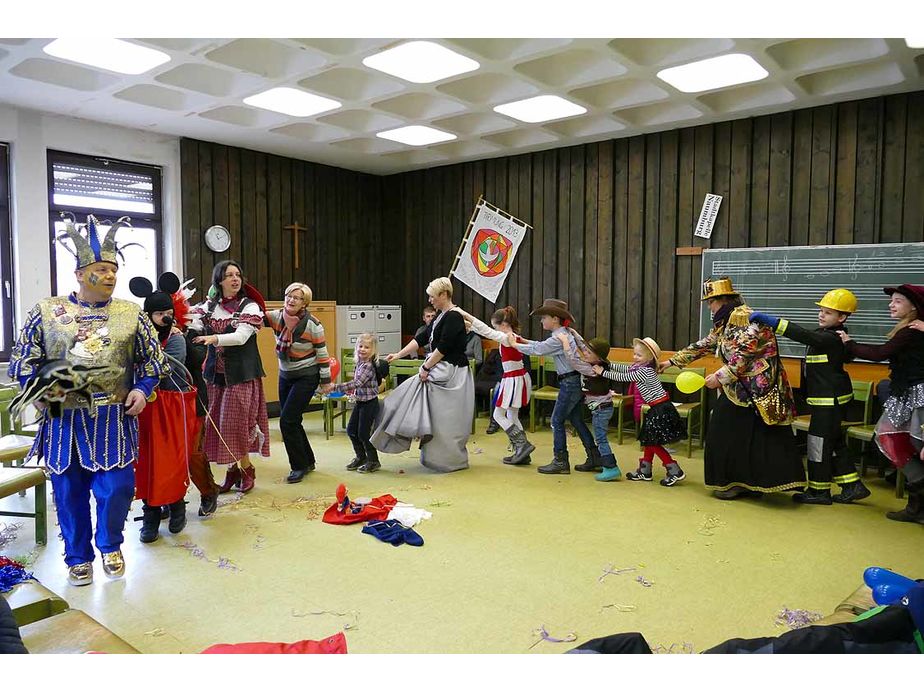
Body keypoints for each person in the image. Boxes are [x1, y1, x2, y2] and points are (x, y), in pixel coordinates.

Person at [7, 214, 168, 586]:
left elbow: (152, 362)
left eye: (113, 269)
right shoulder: (46, 312)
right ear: (80, 274)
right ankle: (78, 557)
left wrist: (143, 391)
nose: (110, 275)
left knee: (117, 489)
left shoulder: (131, 314)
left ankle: (110, 544)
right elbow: (23, 361)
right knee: (69, 492)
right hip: (64, 418)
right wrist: (41, 392)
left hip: (114, 417)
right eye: (101, 269)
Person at [663, 277, 804, 500]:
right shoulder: (725, 322)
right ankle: (743, 483)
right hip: (740, 389)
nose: (709, 307)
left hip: (758, 389)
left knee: (734, 432)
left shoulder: (743, 318)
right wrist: (672, 361)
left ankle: (740, 483)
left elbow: (744, 355)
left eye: (711, 302)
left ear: (723, 299)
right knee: (741, 435)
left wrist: (720, 377)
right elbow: (706, 344)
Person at [749, 288, 870, 505]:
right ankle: (853, 486)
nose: (821, 315)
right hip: (829, 402)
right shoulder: (834, 337)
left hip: (829, 403)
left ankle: (818, 491)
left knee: (818, 444)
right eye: (821, 310)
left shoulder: (830, 338)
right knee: (833, 444)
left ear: (842, 317)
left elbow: (804, 335)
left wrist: (774, 322)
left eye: (828, 313)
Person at [838, 284, 924, 524]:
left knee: (917, 442)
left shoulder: (913, 331)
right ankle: (917, 502)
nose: (890, 304)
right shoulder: (908, 329)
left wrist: (849, 343)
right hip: (906, 392)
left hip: (919, 393)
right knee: (889, 436)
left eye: (897, 301)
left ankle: (918, 504)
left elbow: (879, 354)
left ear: (913, 307)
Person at [371, 277, 475, 473]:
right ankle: (430, 455)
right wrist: (399, 354)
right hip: (438, 369)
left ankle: (449, 460)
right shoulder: (439, 317)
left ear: (444, 295)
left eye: (432, 296)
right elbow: (421, 338)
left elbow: (443, 347)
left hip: (450, 373)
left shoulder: (453, 316)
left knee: (446, 420)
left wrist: (426, 367)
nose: (430, 300)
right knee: (429, 415)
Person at [130, 271, 200, 542]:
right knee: (147, 461)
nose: (165, 318)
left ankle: (177, 505)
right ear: (148, 316)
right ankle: (150, 512)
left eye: (169, 313)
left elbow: (165, 369)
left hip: (171, 406)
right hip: (145, 410)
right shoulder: (138, 339)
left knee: (172, 460)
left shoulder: (176, 338)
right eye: (159, 314)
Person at [189, 261, 270, 494]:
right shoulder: (210, 306)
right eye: (229, 275)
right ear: (220, 281)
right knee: (221, 425)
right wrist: (178, 325)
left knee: (237, 425)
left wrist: (214, 339)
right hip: (215, 376)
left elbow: (242, 336)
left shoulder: (250, 307)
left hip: (242, 375)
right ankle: (233, 471)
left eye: (238, 274)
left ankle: (246, 470)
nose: (235, 279)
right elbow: (191, 321)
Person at [511, 298, 598, 475]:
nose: (542, 321)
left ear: (555, 319)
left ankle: (561, 460)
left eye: (544, 317)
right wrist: (522, 341)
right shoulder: (564, 333)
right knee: (576, 420)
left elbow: (539, 350)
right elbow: (540, 346)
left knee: (556, 420)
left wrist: (514, 345)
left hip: (569, 383)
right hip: (573, 382)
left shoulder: (559, 338)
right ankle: (594, 456)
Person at [597, 337, 686, 486]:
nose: (635, 357)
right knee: (649, 439)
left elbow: (623, 377)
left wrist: (602, 372)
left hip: (660, 408)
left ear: (650, 358)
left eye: (639, 355)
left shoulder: (645, 371)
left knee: (652, 441)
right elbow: (624, 369)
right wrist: (608, 364)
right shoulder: (638, 367)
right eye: (634, 354)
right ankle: (645, 470)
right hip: (655, 407)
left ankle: (674, 469)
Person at [265, 283, 331, 484]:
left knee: (287, 421)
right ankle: (308, 461)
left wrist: (326, 381)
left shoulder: (313, 324)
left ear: (305, 303)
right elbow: (253, 317)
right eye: (289, 296)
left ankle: (298, 466)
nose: (291, 300)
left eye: (297, 298)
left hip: (306, 376)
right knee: (293, 421)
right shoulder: (276, 317)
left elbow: (322, 354)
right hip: (286, 375)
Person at [458, 306, 535, 465]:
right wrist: (469, 324)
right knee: (512, 415)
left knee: (498, 415)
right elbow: (485, 330)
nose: (495, 330)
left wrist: (465, 314)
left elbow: (486, 331)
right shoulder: (513, 336)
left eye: (496, 326)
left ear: (504, 324)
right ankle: (522, 452)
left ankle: (522, 445)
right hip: (517, 377)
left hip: (512, 379)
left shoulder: (507, 337)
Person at [557, 331, 623, 481]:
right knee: (599, 437)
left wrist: (565, 341)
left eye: (588, 352)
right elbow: (582, 346)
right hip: (600, 409)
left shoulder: (593, 369)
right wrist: (574, 334)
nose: (584, 352)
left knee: (601, 439)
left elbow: (573, 359)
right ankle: (599, 462)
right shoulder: (595, 362)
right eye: (585, 350)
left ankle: (610, 467)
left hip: (602, 410)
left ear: (598, 357)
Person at [321, 333, 382, 473]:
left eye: (367, 347)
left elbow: (357, 382)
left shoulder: (367, 365)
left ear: (373, 350)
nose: (362, 349)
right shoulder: (360, 363)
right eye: (360, 346)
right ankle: (361, 457)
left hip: (369, 403)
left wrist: (334, 387)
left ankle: (373, 460)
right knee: (351, 430)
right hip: (360, 402)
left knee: (363, 433)